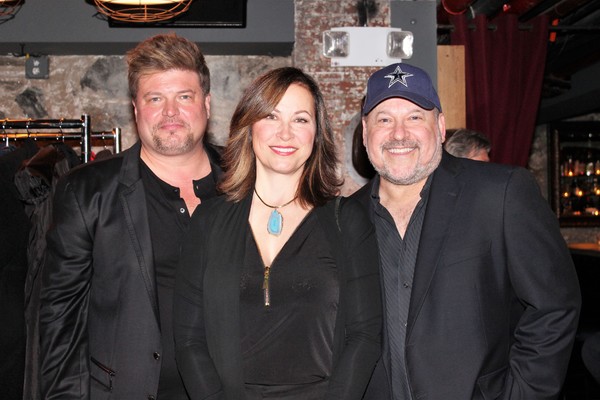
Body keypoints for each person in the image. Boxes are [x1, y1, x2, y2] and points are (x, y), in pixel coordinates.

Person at [352, 63, 581, 400]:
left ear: (440, 127)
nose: (399, 133)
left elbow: (554, 306)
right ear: (364, 132)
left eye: (415, 117)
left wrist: (521, 393)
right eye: (384, 119)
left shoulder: (500, 192)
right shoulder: (345, 217)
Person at [173, 67, 382, 400]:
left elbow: (365, 335)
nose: (285, 133)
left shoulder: (347, 220)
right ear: (249, 126)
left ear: (317, 133)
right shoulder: (209, 220)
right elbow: (188, 339)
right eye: (271, 116)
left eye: (300, 120)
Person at [38, 33, 222, 399]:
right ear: (136, 108)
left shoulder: (248, 182)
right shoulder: (88, 192)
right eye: (155, 99)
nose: (171, 112)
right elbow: (61, 323)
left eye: (184, 97)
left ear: (207, 103)